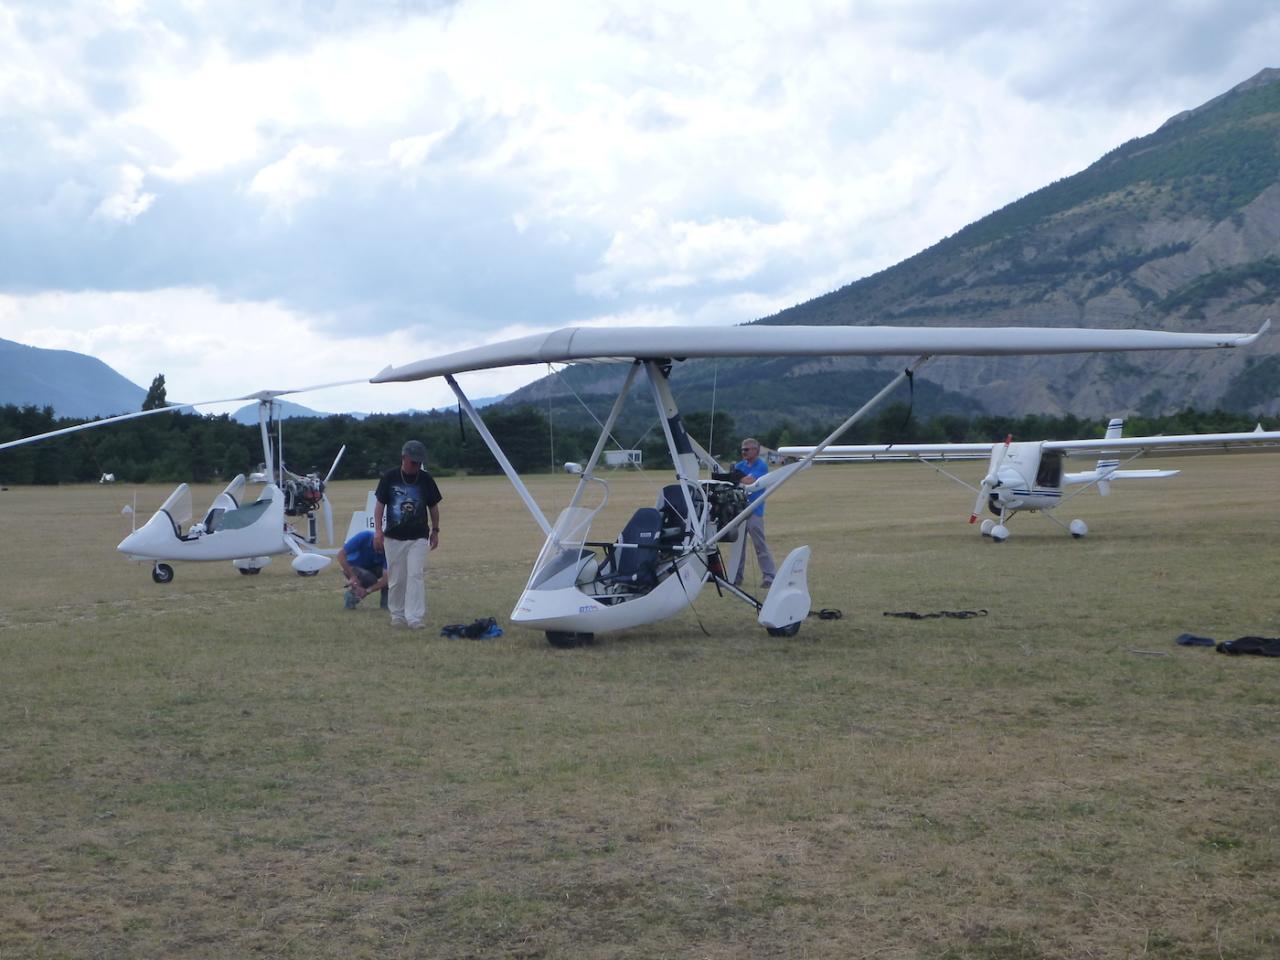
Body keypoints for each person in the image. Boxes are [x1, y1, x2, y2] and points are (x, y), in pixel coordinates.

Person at [373, 440, 442, 629]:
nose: (417, 466)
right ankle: (397, 614)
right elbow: (379, 506)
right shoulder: (390, 477)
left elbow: (433, 506)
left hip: (418, 537)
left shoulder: (426, 479)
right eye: (413, 462)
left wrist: (435, 530)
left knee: (416, 575)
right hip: (393, 537)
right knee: (396, 577)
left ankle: (415, 617)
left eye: (419, 463)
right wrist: (378, 531)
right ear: (404, 458)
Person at [732, 437, 776, 588]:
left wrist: (737, 476)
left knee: (759, 545)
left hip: (755, 510)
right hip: (738, 510)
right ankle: (736, 577)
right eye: (742, 449)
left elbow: (749, 481)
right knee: (738, 546)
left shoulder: (761, 466)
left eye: (747, 449)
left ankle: (769, 577)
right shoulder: (739, 465)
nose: (743, 452)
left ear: (756, 451)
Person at [337, 528, 388, 610]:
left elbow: (386, 579)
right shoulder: (364, 536)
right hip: (353, 567)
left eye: (382, 549)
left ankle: (386, 606)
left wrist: (368, 590)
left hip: (373, 568)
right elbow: (340, 555)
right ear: (375, 539)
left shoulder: (388, 550)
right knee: (370, 579)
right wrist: (352, 577)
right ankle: (351, 596)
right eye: (378, 548)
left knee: (393, 577)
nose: (380, 552)